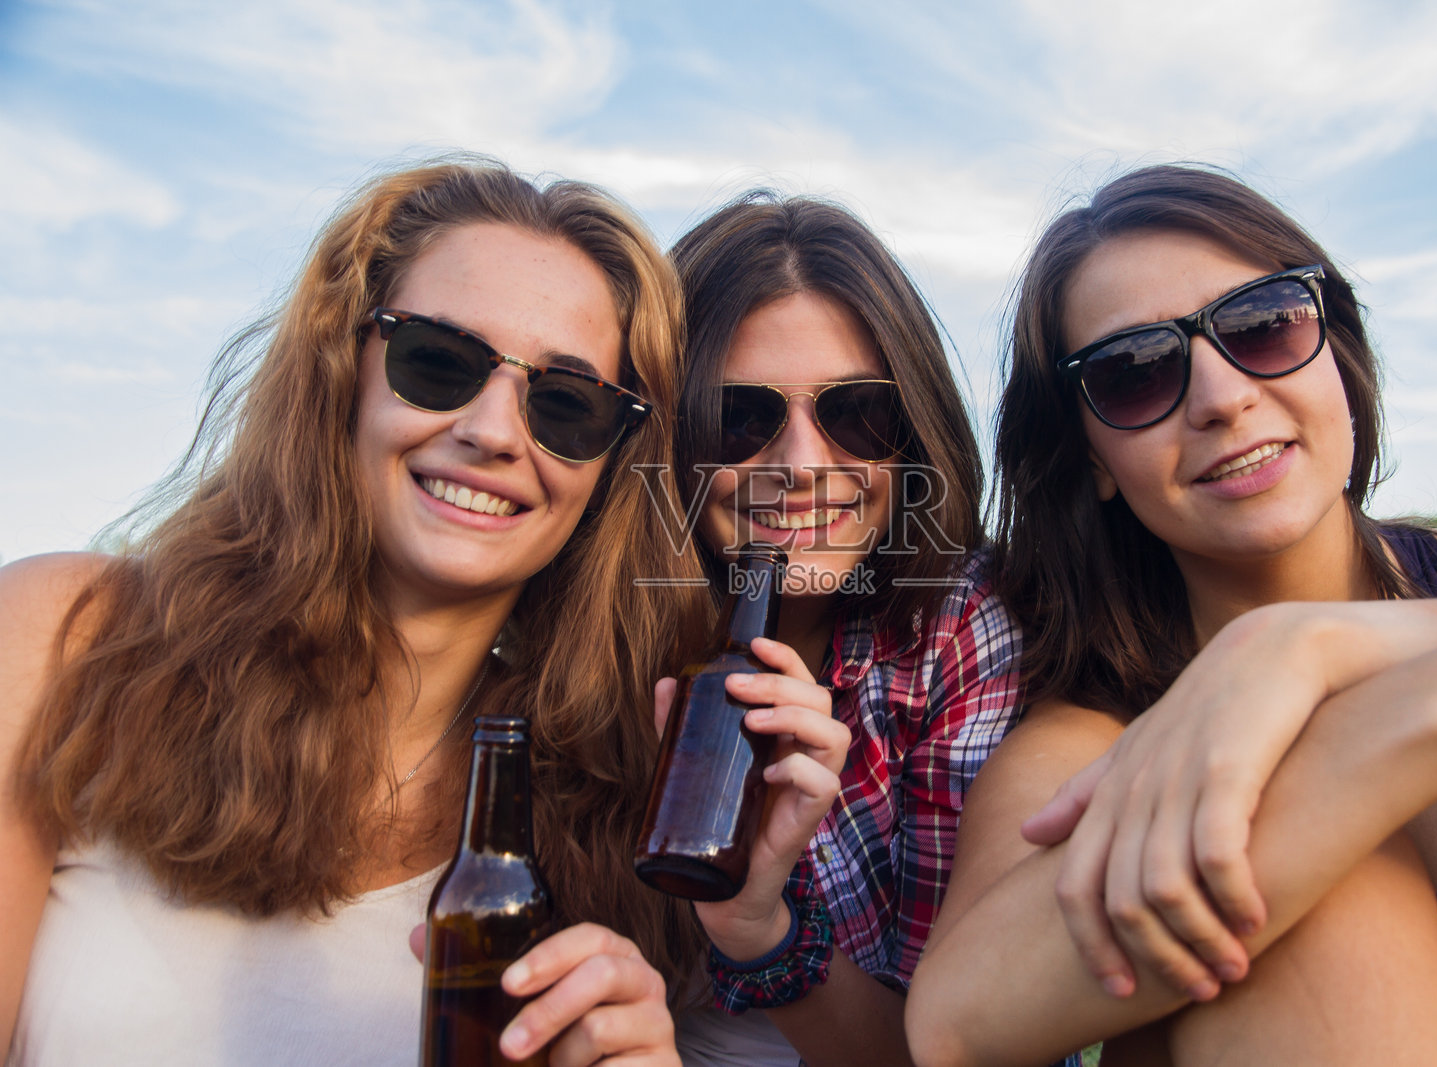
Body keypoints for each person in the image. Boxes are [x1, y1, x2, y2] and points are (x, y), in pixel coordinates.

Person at [1, 159, 711, 1065]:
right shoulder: (67, 640)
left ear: (610, 466)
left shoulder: (599, 830)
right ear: (345, 369)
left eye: (567, 404)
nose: (494, 432)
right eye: (439, 360)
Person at [904, 165, 1437, 1066]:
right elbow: (953, 1022)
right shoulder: (1090, 743)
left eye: (1266, 325)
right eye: (1135, 373)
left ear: (1337, 358)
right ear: (1096, 461)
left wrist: (1321, 647)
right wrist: (1404, 729)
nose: (1223, 396)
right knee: (1259, 879)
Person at [662, 193, 1027, 1067]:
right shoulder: (589, 625)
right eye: (739, 418)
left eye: (858, 413)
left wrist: (760, 926)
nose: (801, 466)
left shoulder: (959, 633)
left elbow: (950, 1050)